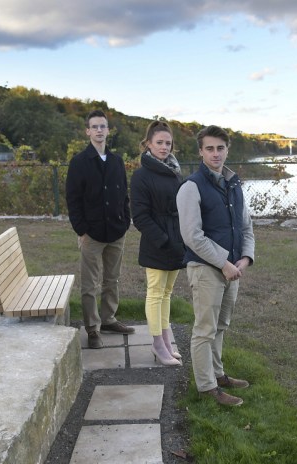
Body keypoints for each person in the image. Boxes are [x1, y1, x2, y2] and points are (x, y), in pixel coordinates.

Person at [176, 125, 255, 406]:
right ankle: (207, 387)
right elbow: (192, 236)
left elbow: (246, 226)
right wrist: (223, 263)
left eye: (220, 148)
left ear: (227, 150)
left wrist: (245, 259)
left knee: (221, 325)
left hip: (232, 269)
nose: (215, 153)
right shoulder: (191, 187)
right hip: (206, 269)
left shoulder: (234, 185)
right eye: (209, 148)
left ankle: (218, 374)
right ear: (200, 151)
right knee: (204, 330)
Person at [66, 110, 134, 348]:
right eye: (94, 127)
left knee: (112, 280)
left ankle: (108, 319)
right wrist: (81, 229)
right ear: (88, 131)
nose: (98, 130)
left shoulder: (116, 161)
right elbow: (72, 200)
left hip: (116, 231)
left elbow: (123, 194)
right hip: (91, 234)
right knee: (89, 284)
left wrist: (126, 221)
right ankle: (92, 328)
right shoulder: (79, 163)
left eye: (102, 126)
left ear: (108, 130)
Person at [130, 120, 186, 366]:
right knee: (155, 293)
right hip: (157, 243)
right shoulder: (141, 175)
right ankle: (157, 344)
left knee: (167, 293)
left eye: (168, 143)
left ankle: (165, 340)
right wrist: (162, 240)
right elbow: (140, 216)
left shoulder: (174, 171)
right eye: (159, 143)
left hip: (177, 241)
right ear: (148, 144)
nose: (164, 147)